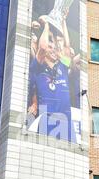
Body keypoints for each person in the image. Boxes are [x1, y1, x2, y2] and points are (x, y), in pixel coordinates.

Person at [27, 9, 78, 142]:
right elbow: (42, 48)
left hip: (66, 125)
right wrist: (47, 24)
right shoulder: (37, 67)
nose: (54, 48)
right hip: (46, 122)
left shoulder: (63, 66)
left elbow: (67, 47)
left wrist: (63, 21)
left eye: (55, 46)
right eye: (51, 46)